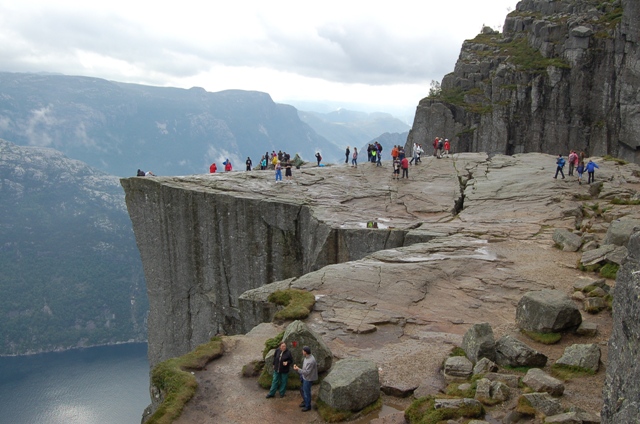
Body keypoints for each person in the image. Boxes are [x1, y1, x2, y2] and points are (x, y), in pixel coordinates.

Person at [294, 346, 318, 412]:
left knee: (307, 392)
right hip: (305, 377)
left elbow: (307, 372)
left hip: (308, 379)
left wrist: (298, 369)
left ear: (305, 352)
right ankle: (305, 401)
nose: (302, 352)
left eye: (303, 351)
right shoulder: (307, 357)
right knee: (302, 389)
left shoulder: (310, 361)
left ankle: (308, 406)